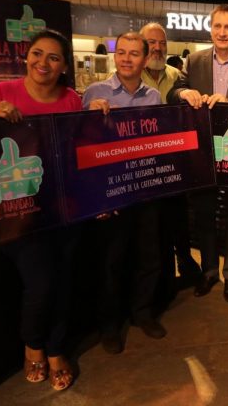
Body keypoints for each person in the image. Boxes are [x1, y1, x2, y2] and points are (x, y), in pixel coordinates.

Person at [0, 29, 82, 392]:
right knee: (41, 281)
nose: (43, 63)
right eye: (37, 54)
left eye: (53, 57)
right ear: (26, 57)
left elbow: (81, 151)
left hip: (62, 208)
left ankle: (56, 350)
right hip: (17, 212)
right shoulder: (0, 93)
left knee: (62, 281)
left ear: (64, 66)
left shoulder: (72, 100)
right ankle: (33, 345)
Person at [168, 4, 228, 302]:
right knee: (204, 215)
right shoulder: (194, 60)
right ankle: (209, 272)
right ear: (210, 29)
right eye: (217, 26)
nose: (222, 32)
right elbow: (173, 92)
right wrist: (183, 93)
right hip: (203, 154)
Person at [82, 32, 164, 354]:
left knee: (149, 256)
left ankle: (142, 313)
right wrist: (89, 115)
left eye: (134, 54)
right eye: (122, 53)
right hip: (110, 191)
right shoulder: (94, 93)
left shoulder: (153, 96)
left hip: (144, 187)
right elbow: (81, 143)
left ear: (145, 59)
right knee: (111, 261)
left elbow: (158, 140)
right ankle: (110, 325)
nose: (127, 59)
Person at [138, 23, 203, 302]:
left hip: (175, 162)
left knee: (178, 216)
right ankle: (158, 279)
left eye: (162, 43)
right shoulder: (131, 75)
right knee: (153, 226)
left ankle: (184, 262)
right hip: (144, 166)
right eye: (151, 42)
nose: (157, 48)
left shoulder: (177, 76)